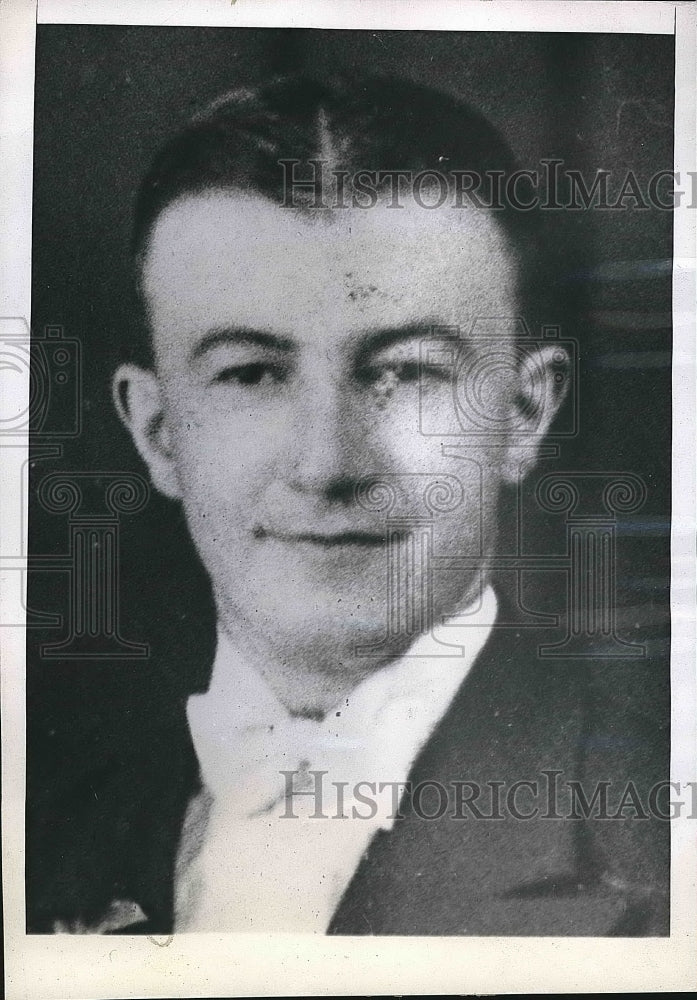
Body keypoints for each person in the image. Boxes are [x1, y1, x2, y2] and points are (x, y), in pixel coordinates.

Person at [31, 75, 669, 935]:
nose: (328, 463)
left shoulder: (655, 845)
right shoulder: (42, 831)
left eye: (406, 369)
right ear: (155, 432)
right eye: (250, 373)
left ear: (522, 416)